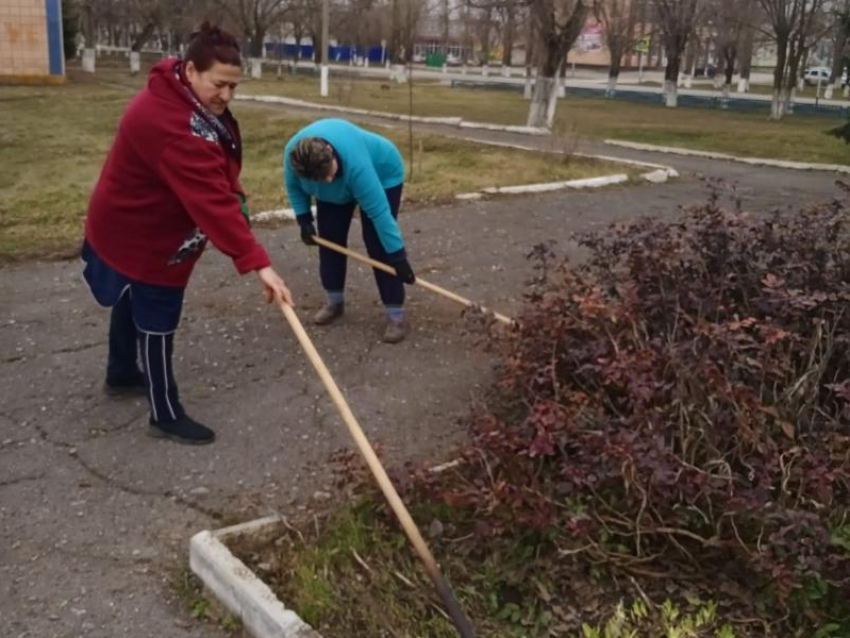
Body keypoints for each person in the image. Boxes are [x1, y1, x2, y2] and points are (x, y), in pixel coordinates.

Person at [82, 22, 293, 445]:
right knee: (157, 311)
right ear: (191, 70)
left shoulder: (181, 94)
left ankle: (121, 372)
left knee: (131, 292)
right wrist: (258, 265)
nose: (227, 97)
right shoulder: (169, 123)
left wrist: (233, 192)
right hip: (141, 231)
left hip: (137, 220)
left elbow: (216, 174)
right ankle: (164, 413)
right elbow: (210, 201)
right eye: (220, 85)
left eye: (235, 87)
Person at [283, 119, 415, 344]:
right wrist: (304, 219)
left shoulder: (357, 166)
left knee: (377, 242)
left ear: (331, 154)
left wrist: (398, 257)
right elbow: (294, 188)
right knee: (330, 239)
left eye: (329, 173)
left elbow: (381, 215)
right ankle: (334, 301)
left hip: (383, 174)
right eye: (320, 179)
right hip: (338, 188)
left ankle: (395, 314)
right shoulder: (294, 159)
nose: (329, 180)